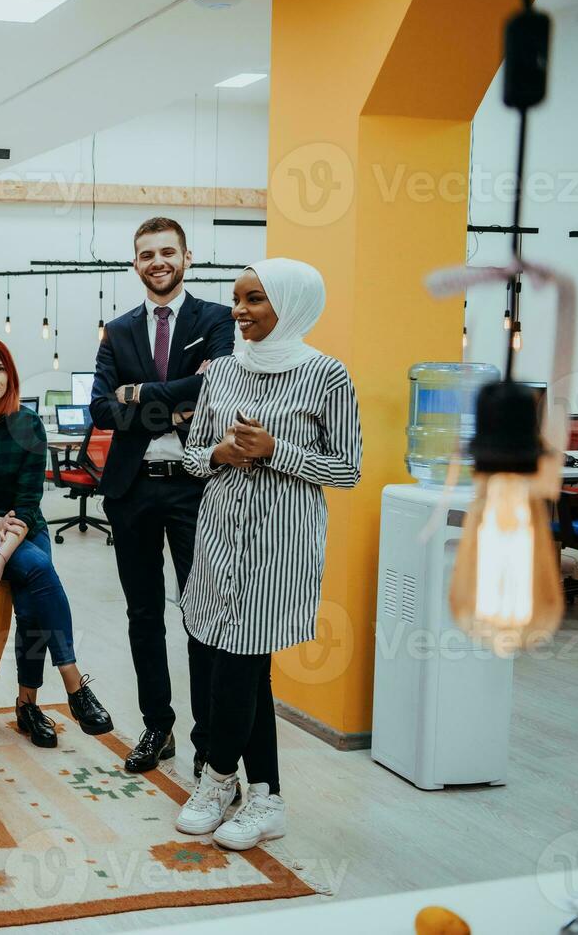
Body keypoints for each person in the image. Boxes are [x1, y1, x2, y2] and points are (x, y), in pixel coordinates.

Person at [174, 259, 361, 851]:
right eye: (236, 298)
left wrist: (277, 450)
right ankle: (268, 796)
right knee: (240, 666)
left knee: (238, 664)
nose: (239, 311)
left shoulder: (327, 376)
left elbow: (349, 470)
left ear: (291, 304)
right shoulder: (223, 371)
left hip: (281, 548)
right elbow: (192, 455)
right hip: (218, 540)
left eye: (254, 299)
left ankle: (217, 776)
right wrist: (221, 454)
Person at [90, 216, 235, 775]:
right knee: (143, 613)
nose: (158, 261)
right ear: (135, 263)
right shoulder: (118, 330)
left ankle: (205, 743)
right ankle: (158, 727)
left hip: (194, 486)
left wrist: (140, 398)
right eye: (146, 253)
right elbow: (103, 408)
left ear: (186, 257)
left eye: (167, 252)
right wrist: (173, 406)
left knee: (200, 615)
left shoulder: (216, 319)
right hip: (130, 492)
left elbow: (215, 383)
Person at [0, 338, 112, 749]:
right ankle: (73, 686)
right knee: (41, 569)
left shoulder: (27, 424)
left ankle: (28, 705)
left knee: (33, 591)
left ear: (9, 374)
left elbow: (28, 505)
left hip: (23, 531)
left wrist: (2, 554)